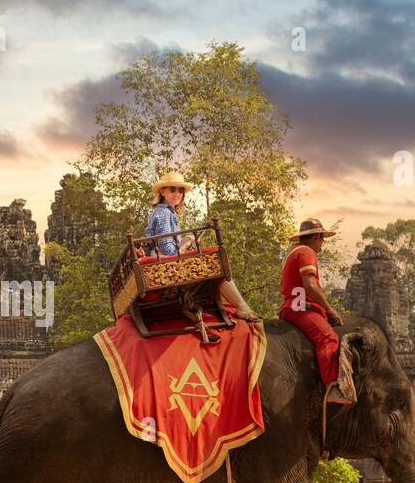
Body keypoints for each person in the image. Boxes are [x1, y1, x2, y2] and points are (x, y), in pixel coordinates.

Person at [142, 171, 261, 322]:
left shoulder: (168, 212)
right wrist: (185, 242)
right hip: (162, 264)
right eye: (173, 189)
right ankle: (242, 307)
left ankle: (240, 306)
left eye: (181, 190)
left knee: (209, 258)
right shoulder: (163, 213)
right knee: (215, 261)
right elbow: (168, 250)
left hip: (162, 261)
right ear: (162, 191)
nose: (177, 194)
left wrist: (185, 241)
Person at [278, 218, 353, 404]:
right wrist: (330, 310)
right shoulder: (306, 252)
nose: (322, 243)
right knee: (328, 338)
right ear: (318, 236)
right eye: (322, 239)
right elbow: (310, 285)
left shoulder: (293, 252)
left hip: (293, 308)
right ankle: (332, 388)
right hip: (301, 309)